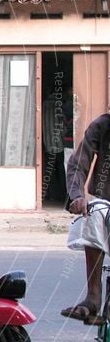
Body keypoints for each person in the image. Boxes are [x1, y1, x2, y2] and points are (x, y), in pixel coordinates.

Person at [61, 112, 110, 325]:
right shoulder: (103, 126)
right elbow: (78, 164)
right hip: (107, 202)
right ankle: (93, 297)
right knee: (93, 212)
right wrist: (78, 196)